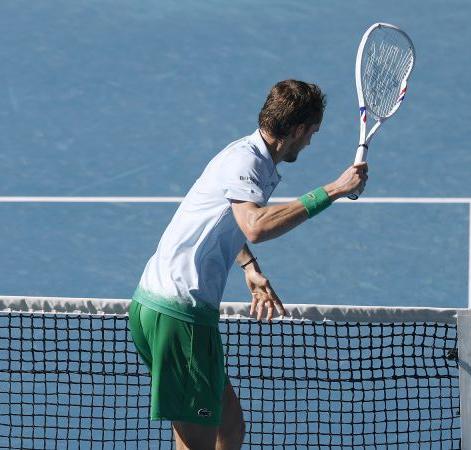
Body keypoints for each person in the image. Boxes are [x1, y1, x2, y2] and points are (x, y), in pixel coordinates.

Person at [127, 79, 368, 449]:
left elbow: (226, 220)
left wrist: (248, 267)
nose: (310, 142)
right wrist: (332, 190)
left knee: (230, 428)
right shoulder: (245, 162)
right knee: (197, 442)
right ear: (299, 129)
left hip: (171, 308)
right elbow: (254, 226)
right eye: (312, 133)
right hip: (179, 314)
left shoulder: (250, 157)